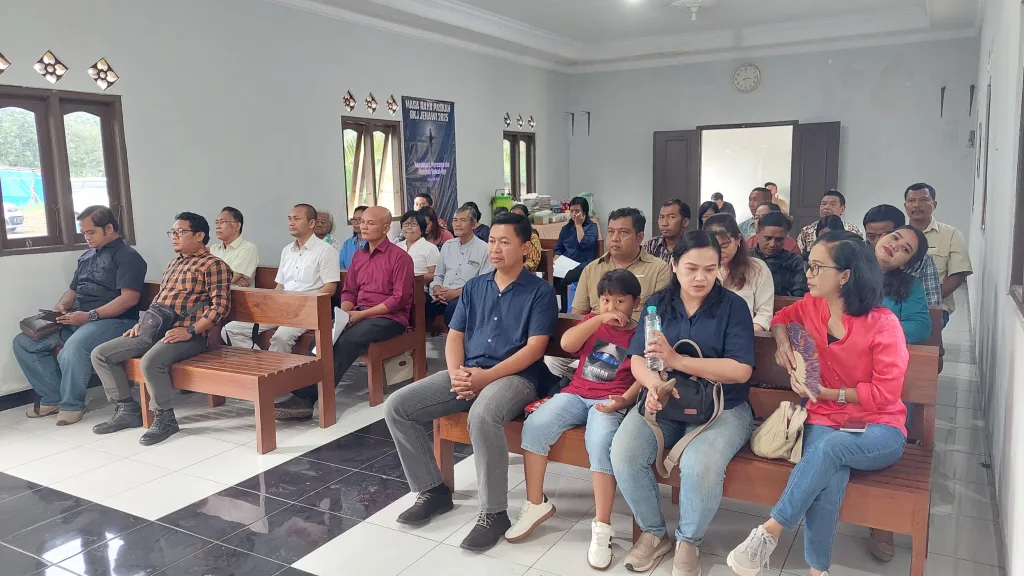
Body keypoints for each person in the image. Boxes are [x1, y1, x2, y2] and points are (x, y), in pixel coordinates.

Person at [726, 231, 909, 576]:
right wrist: (783, 344)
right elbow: (780, 318)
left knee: (829, 450)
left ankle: (770, 531)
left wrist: (829, 394)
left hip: (878, 425)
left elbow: (885, 393)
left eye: (816, 267)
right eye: (808, 265)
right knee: (830, 477)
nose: (807, 274)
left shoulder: (883, 324)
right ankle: (818, 571)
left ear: (845, 275)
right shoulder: (812, 306)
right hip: (826, 417)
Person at [384, 212, 558, 552]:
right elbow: (455, 336)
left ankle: (494, 513)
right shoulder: (476, 287)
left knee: (482, 415)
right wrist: (456, 374)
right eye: (492, 241)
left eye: (505, 242)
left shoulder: (540, 292)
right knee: (398, 406)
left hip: (517, 377)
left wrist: (486, 378)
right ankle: (433, 490)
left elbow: (535, 349)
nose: (495, 249)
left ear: (525, 247)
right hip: (469, 372)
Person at [610, 231, 755, 576]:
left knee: (699, 463)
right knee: (624, 453)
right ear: (674, 265)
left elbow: (740, 370)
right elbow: (638, 358)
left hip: (723, 406)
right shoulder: (658, 304)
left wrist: (677, 361)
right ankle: (654, 533)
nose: (701, 277)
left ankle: (688, 541)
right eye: (691, 268)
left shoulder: (733, 307)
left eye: (710, 269)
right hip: (667, 402)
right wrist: (654, 385)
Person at [507, 269, 644, 569]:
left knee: (600, 443)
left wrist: (625, 400)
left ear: (636, 303)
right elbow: (568, 344)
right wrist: (598, 319)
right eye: (606, 300)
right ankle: (535, 503)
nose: (612, 307)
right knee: (535, 426)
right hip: (576, 394)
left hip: (610, 400)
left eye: (620, 301)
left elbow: (641, 375)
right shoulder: (593, 322)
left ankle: (602, 526)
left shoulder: (639, 333)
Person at [91, 212, 232, 445]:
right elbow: (159, 301)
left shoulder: (214, 265)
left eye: (180, 232)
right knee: (101, 354)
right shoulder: (173, 263)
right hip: (154, 329)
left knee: (150, 362)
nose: (174, 237)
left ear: (199, 236)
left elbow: (221, 307)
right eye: (172, 232)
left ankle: (165, 418)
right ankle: (127, 410)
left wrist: (190, 331)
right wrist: (142, 324)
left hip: (187, 335)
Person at [275, 206, 414, 420]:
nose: (363, 227)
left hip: (389, 318)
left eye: (370, 223)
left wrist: (361, 315)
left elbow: (399, 299)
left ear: (386, 228)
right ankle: (302, 392)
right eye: (362, 222)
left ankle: (306, 398)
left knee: (348, 340)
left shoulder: (400, 257)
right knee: (323, 335)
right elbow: (349, 291)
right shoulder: (359, 256)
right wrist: (346, 312)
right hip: (358, 313)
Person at [13, 206, 147, 426]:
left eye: (91, 232)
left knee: (74, 347)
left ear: (109, 228)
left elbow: (129, 299)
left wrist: (89, 316)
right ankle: (53, 398)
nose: (86, 237)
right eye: (83, 233)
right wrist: (62, 305)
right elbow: (73, 290)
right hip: (80, 318)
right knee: (24, 342)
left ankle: (72, 405)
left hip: (115, 321)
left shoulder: (129, 257)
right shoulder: (86, 256)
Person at [221, 204, 340, 353]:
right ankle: (264, 363)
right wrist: (269, 306)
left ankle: (274, 367)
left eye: (296, 219)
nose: (291, 223)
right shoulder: (287, 250)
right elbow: (280, 286)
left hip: (307, 310)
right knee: (230, 330)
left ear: (311, 223)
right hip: (281, 307)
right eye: (289, 219)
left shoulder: (325, 250)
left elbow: (330, 288)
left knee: (281, 337)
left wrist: (303, 303)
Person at [571, 208, 671, 320]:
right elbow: (577, 317)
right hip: (598, 329)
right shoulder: (591, 269)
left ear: (639, 237)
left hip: (639, 330)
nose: (614, 238)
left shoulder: (659, 269)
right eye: (611, 232)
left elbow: (662, 318)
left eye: (623, 232)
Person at [905, 183, 973, 326]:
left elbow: (958, 275)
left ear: (934, 204)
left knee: (922, 332)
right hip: (900, 303)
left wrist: (927, 301)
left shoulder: (951, 234)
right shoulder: (897, 235)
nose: (916, 205)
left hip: (936, 306)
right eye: (911, 201)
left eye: (923, 200)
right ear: (905, 205)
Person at [704, 214, 774, 331]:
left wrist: (742, 335)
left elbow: (764, 315)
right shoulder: (701, 269)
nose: (720, 252)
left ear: (738, 239)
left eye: (724, 245)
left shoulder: (757, 269)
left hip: (745, 334)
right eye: (713, 247)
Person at [863, 204, 941, 307]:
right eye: (871, 237)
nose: (878, 241)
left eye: (905, 249)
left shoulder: (923, 263)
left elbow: (932, 306)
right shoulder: (855, 253)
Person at [428, 206, 494, 326]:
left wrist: (456, 293)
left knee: (453, 309)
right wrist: (437, 288)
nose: (457, 224)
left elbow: (483, 284)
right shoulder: (448, 245)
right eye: (455, 220)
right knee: (421, 303)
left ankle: (456, 338)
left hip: (467, 297)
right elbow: (438, 275)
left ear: (474, 225)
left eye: (463, 220)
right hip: (442, 295)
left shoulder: (484, 249)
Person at [554, 196, 599, 312]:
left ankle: (567, 311)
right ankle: (557, 310)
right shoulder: (566, 229)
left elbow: (584, 244)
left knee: (566, 277)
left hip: (583, 265)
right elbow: (558, 249)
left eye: (577, 211)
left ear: (584, 212)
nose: (574, 214)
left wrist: (578, 226)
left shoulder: (592, 227)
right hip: (565, 265)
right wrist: (556, 260)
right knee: (550, 276)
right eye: (572, 211)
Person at [752, 211, 807, 297]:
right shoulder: (744, 258)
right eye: (768, 238)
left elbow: (798, 297)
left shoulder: (794, 262)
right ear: (757, 234)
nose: (772, 244)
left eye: (779, 240)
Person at [797, 190, 864, 254]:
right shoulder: (806, 231)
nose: (826, 207)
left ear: (842, 209)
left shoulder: (853, 231)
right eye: (824, 204)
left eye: (832, 204)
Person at [210, 206, 259, 287]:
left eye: (222, 222)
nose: (218, 226)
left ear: (237, 226)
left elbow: (231, 278)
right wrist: (231, 278)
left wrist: (233, 278)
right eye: (216, 222)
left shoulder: (248, 248)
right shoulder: (213, 249)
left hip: (236, 295)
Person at [396, 210, 440, 283]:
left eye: (413, 224)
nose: (409, 227)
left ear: (422, 229)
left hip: (419, 288)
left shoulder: (430, 248)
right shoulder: (397, 247)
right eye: (406, 224)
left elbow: (436, 275)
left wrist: (413, 277)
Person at [511, 203, 543, 273]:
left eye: (520, 216)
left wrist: (519, 270)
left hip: (524, 273)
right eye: (512, 216)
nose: (516, 219)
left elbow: (532, 261)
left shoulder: (532, 237)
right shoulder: (507, 237)